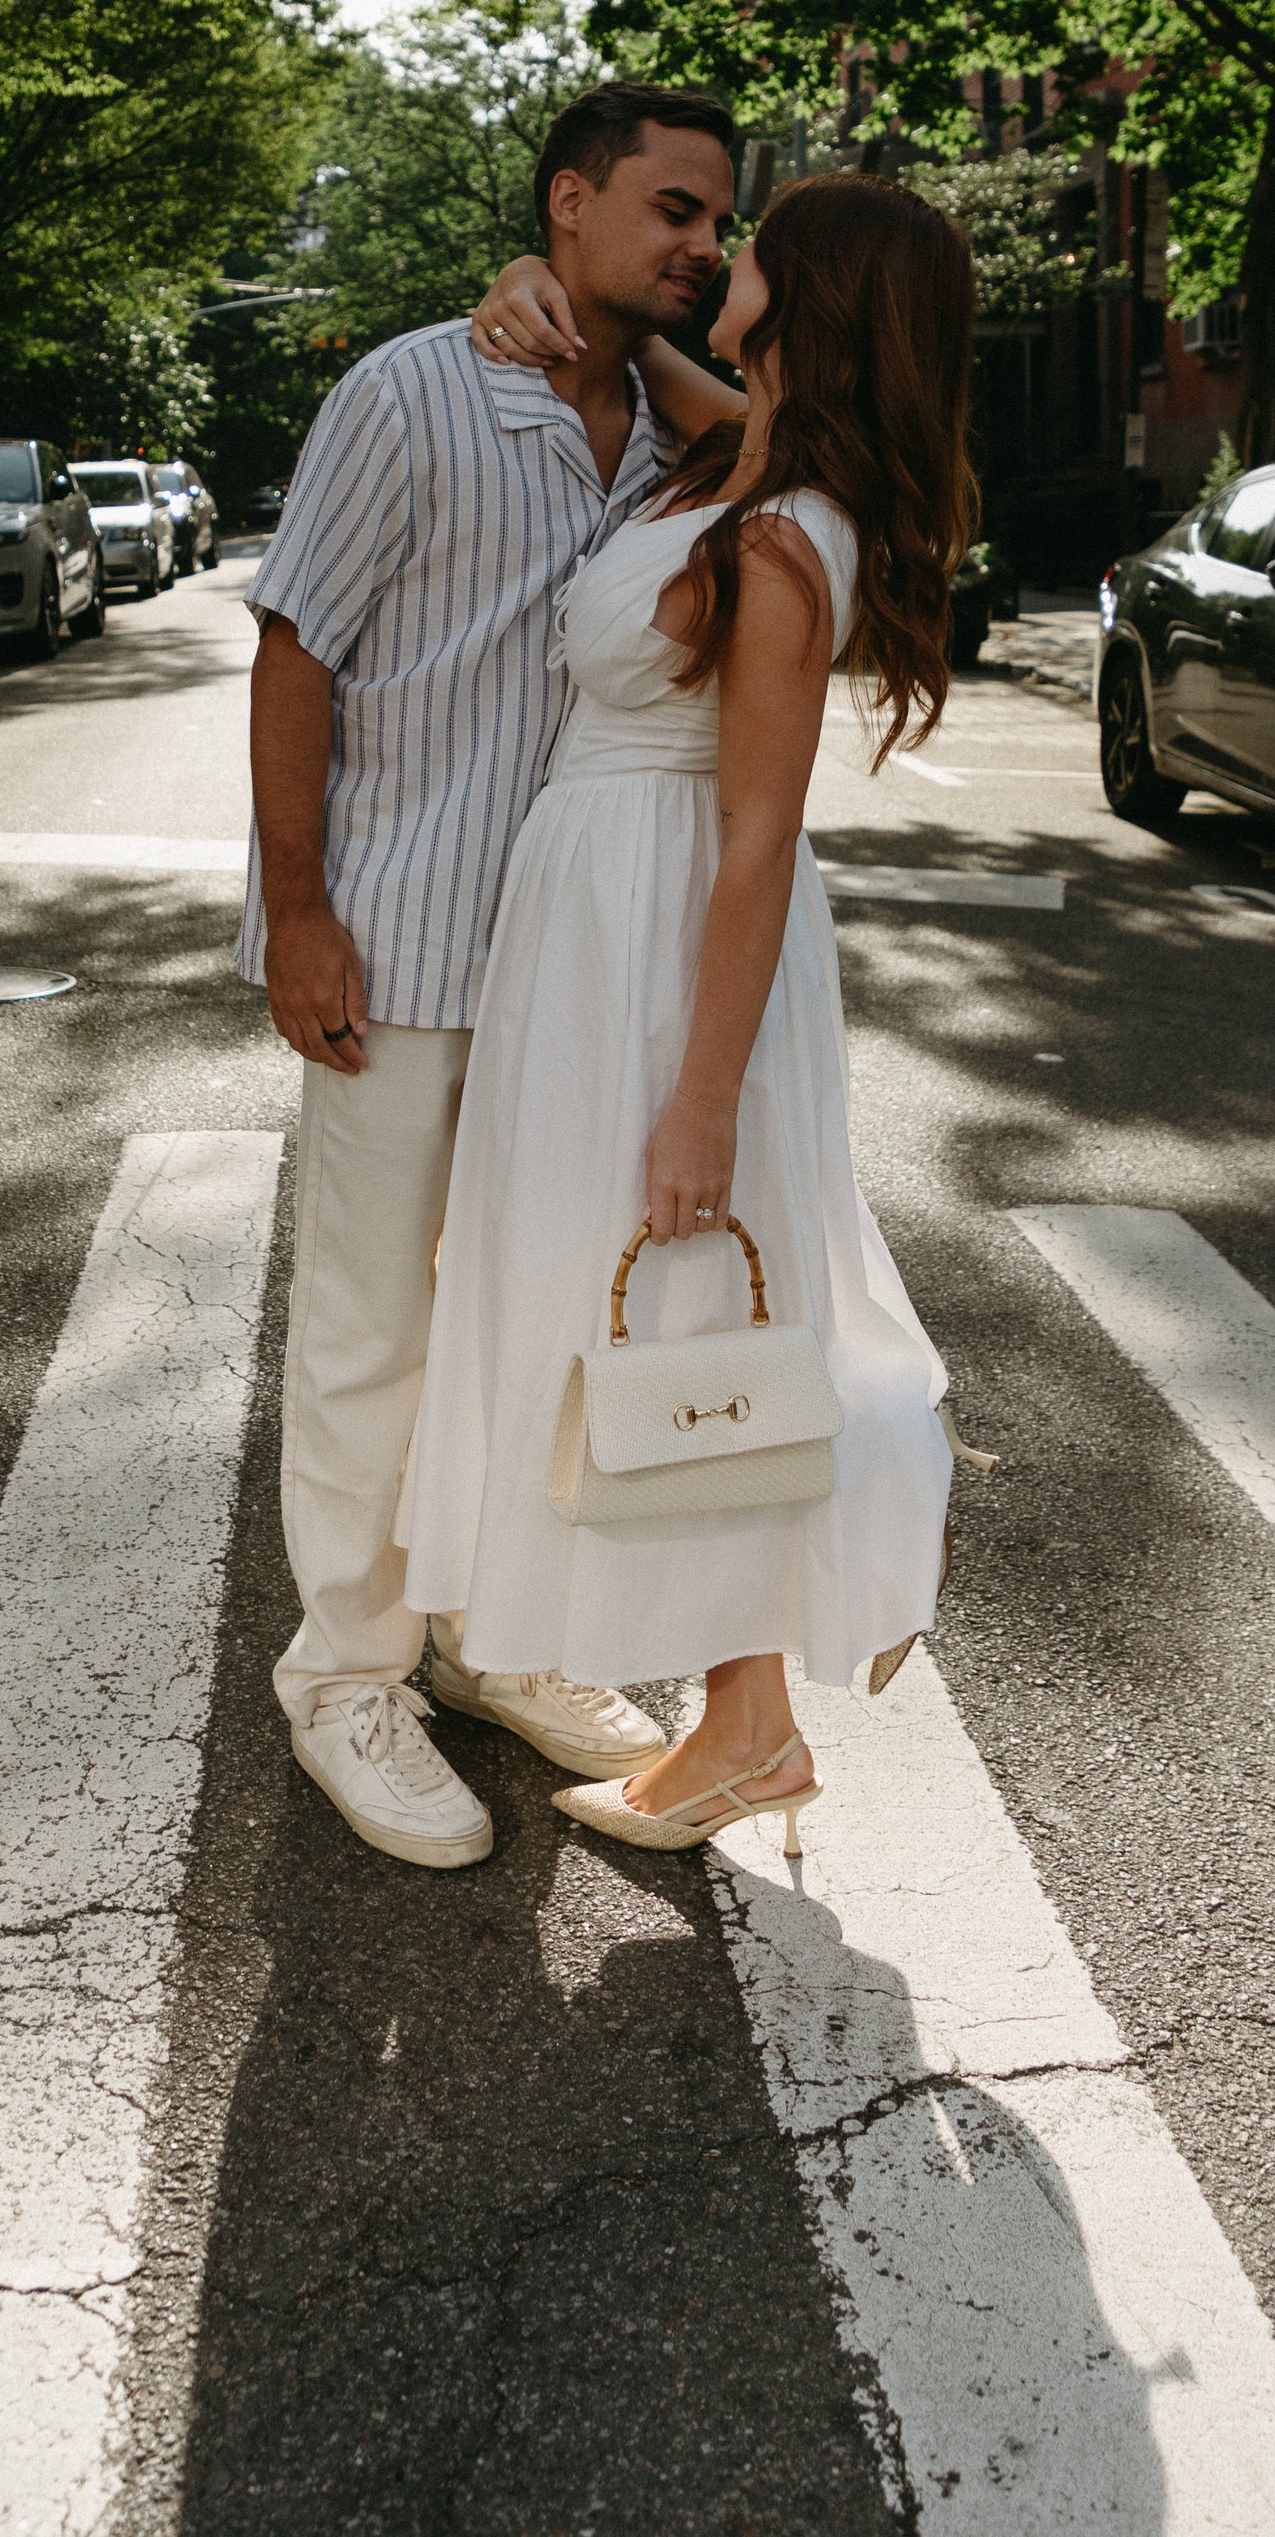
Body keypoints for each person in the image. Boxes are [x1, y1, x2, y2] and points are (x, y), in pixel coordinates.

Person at [399, 172, 975, 1852]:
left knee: (690, 1312)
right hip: (592, 931)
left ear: (810, 300)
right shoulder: (742, 445)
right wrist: (529, 277)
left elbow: (758, 839)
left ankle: (750, 1717)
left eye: (754, 251)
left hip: (675, 948)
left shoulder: (788, 537)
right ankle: (745, 1718)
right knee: (657, 1320)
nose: (723, 262)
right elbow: (641, 352)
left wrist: (702, 1098)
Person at [241, 81, 741, 1867]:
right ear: (569, 201)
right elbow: (298, 643)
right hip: (398, 934)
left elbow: (796, 450)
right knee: (373, 1328)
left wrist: (638, 352)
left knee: (531, 1324)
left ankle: (488, 1636)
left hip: (573, 974)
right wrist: (298, 908)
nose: (700, 244)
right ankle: (348, 1672)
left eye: (717, 222)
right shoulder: (410, 386)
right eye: (670, 209)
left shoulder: (672, 442)